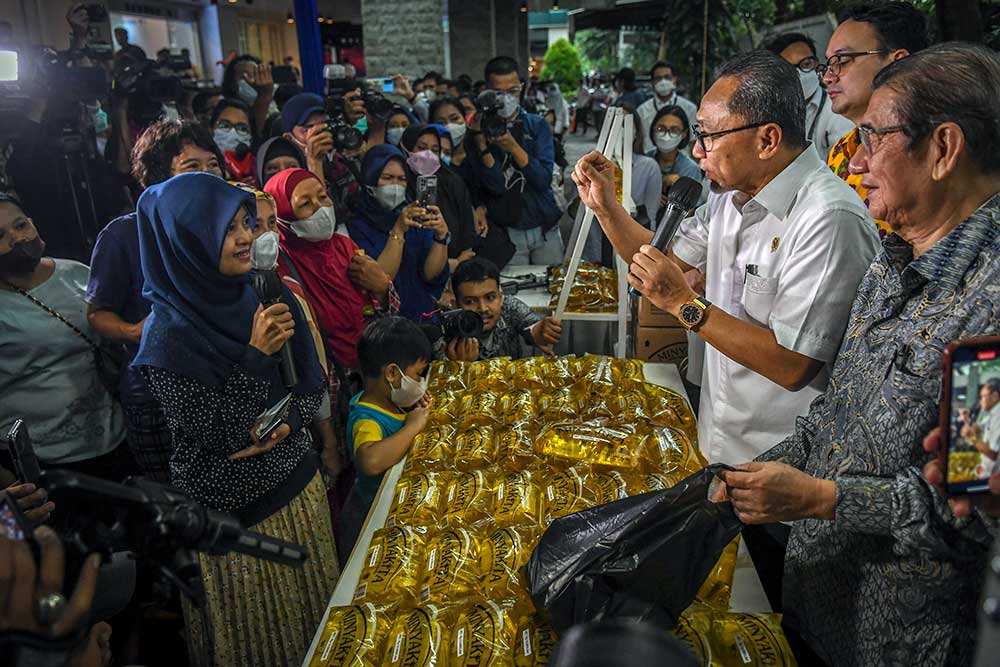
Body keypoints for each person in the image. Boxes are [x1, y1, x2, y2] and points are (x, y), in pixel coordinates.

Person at [714, 42, 1000, 666]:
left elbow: (971, 509)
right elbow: (832, 415)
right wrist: (743, 478)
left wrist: (823, 500)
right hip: (818, 601)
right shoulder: (892, 262)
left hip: (900, 638)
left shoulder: (991, 308)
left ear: (944, 149)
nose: (857, 160)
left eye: (873, 138)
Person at [572, 50, 879, 468]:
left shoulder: (827, 217)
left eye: (708, 136)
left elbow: (794, 365)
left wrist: (683, 304)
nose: (697, 152)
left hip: (783, 466)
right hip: (720, 442)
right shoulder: (729, 199)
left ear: (767, 139)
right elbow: (662, 259)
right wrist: (606, 207)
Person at [134, 173, 337, 667]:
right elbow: (222, 435)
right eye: (229, 228)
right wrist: (255, 355)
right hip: (237, 526)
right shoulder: (166, 341)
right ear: (187, 240)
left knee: (321, 633)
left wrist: (287, 424)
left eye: (247, 223)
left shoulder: (265, 291)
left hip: (299, 493)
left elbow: (312, 387)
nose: (248, 237)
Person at [85, 120, 223, 482]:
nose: (208, 176)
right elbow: (97, 314)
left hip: (220, 389)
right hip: (155, 399)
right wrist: (136, 331)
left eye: (213, 165)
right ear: (161, 176)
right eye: (193, 167)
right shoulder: (123, 235)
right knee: (182, 504)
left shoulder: (227, 229)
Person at [0, 193, 130, 477]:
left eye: (21, 225)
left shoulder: (74, 272)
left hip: (115, 437)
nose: (17, 239)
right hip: (47, 462)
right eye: (1, 236)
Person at [264, 167, 398, 375]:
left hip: (368, 369)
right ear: (282, 215)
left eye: (323, 197)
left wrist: (382, 288)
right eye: (306, 203)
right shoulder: (280, 266)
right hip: (324, 379)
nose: (321, 208)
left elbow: (381, 314)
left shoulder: (345, 247)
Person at [821, 1, 928, 237]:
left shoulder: (928, 144)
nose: (828, 77)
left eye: (842, 61)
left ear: (897, 61)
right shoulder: (840, 153)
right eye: (828, 65)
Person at [337, 316, 433, 559]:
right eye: (418, 374)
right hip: (370, 522)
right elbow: (370, 461)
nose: (421, 382)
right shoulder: (366, 418)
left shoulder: (392, 401)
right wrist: (412, 426)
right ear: (392, 373)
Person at [467, 56, 563, 266]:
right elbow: (493, 186)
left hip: (544, 223)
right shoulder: (478, 131)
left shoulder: (537, 125)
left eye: (512, 92)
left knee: (552, 286)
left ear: (521, 88)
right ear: (487, 92)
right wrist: (481, 144)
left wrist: (512, 147)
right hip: (507, 230)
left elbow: (542, 180)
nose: (506, 99)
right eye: (498, 93)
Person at [348, 145, 450, 321]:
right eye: (387, 178)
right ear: (370, 179)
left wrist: (441, 237)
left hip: (422, 317)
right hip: (383, 323)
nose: (395, 186)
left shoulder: (414, 215)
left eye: (402, 179)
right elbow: (378, 280)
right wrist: (398, 231)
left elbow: (430, 274)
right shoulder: (355, 226)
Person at [444, 257, 562, 362]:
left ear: (501, 297)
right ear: (455, 305)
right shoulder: (444, 331)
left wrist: (538, 331)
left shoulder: (509, 306)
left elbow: (531, 325)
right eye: (470, 301)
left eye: (490, 298)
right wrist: (459, 368)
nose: (483, 308)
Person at [399, 124, 479, 271]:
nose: (428, 154)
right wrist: (448, 266)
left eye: (435, 150)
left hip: (458, 269)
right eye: (422, 148)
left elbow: (468, 234)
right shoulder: (399, 184)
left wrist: (458, 264)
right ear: (406, 148)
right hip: (413, 270)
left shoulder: (452, 181)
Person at [765, 32, 853, 161]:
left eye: (806, 64)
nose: (801, 73)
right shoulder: (773, 114)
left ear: (816, 63)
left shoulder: (837, 112)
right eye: (790, 69)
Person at [281, 92, 361, 224]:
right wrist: (314, 164)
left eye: (325, 125)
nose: (321, 134)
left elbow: (355, 206)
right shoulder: (287, 173)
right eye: (309, 128)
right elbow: (321, 221)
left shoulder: (340, 162)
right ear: (289, 138)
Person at [649, 105, 706, 214]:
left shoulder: (690, 169)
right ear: (653, 129)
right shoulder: (645, 161)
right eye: (661, 129)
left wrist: (679, 189)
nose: (666, 135)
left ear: (684, 134)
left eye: (674, 130)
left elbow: (689, 212)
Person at [636, 61, 699, 155]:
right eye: (658, 78)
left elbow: (694, 140)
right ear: (652, 82)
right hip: (651, 161)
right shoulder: (642, 110)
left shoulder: (690, 108)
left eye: (667, 77)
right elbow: (639, 141)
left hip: (682, 163)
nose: (663, 82)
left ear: (674, 79)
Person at [221, 54, 275, 145]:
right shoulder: (224, 108)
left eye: (254, 75)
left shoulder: (272, 107)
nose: (249, 81)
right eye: (243, 76)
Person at [962, 380, 1000, 474]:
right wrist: (966, 420)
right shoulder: (992, 414)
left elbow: (993, 454)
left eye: (983, 396)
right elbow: (977, 428)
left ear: (995, 396)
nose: (980, 400)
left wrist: (971, 438)